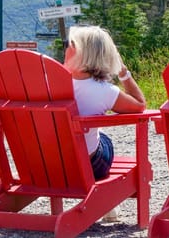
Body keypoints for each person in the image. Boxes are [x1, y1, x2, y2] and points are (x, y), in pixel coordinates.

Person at [63, 25, 146, 179]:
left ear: (82, 53)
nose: (65, 48)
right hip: (89, 165)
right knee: (104, 138)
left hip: (49, 163)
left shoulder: (47, 83)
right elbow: (140, 105)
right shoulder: (105, 91)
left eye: (68, 44)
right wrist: (123, 72)